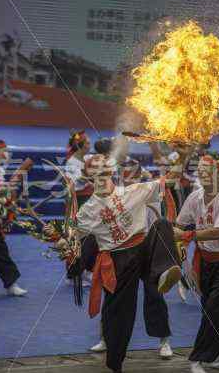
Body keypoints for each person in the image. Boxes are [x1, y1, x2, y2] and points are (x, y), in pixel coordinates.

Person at [44, 153, 182, 373]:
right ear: (89, 177)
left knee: (162, 225)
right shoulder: (88, 210)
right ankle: (114, 364)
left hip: (143, 251)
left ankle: (164, 274)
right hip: (117, 260)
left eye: (104, 168)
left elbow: (171, 179)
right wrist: (57, 238)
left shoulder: (132, 191)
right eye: (95, 170)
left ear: (111, 172)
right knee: (116, 315)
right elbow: (71, 238)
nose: (101, 173)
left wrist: (183, 154)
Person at [90, 149, 173, 358]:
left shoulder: (149, 193)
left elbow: (159, 219)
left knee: (155, 295)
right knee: (114, 297)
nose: (128, 181)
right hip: (124, 253)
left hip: (148, 250)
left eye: (134, 176)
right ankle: (106, 337)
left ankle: (164, 341)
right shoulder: (116, 196)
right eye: (125, 177)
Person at [174, 155, 219, 373]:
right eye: (201, 172)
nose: (204, 175)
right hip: (206, 261)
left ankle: (198, 359)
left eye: (208, 171)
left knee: (214, 309)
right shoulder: (195, 198)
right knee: (215, 309)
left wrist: (186, 236)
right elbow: (178, 223)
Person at [0, 139, 27, 296]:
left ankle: (10, 283)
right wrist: (4, 201)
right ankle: (11, 284)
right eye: (4, 151)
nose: (7, 154)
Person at [65, 130, 95, 287]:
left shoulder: (87, 159)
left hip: (89, 202)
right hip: (78, 202)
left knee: (90, 237)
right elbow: (75, 185)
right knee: (77, 238)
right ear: (81, 146)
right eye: (88, 143)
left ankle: (86, 271)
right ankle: (74, 274)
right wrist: (88, 178)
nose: (90, 145)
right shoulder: (71, 163)